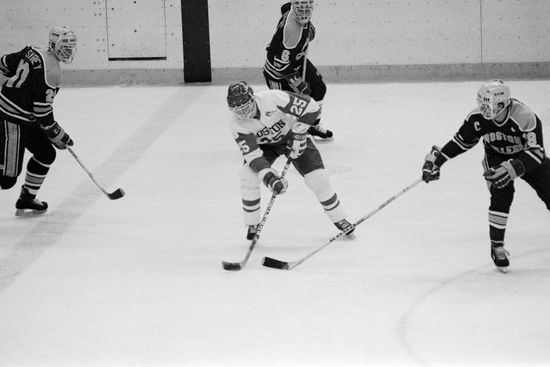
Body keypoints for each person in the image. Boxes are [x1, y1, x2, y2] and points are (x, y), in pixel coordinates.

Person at [422, 80, 550, 272]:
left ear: (502, 103)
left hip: (526, 158)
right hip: (496, 158)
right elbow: (461, 142)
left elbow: (536, 152)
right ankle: (497, 246)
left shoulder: (525, 116)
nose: (484, 109)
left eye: (488, 105)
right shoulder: (476, 118)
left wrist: (512, 168)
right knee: (501, 196)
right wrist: (438, 161)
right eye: (481, 103)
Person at [226, 81, 354, 240]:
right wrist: (270, 179)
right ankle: (252, 224)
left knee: (318, 179)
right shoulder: (236, 124)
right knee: (247, 175)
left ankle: (339, 219)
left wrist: (299, 133)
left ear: (253, 99)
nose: (243, 114)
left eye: (245, 107)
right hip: (265, 147)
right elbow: (253, 156)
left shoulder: (272, 98)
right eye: (238, 111)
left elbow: (311, 106)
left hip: (292, 136)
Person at [0, 27, 76, 216]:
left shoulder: (31, 51)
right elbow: (43, 113)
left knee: (45, 154)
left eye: (71, 47)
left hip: (25, 117)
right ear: (53, 44)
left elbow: (3, 63)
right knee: (7, 179)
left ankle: (27, 198)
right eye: (64, 47)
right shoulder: (53, 73)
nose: (68, 51)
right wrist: (59, 135)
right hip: (11, 120)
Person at [263, 0, 333, 141]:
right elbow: (281, 64)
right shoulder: (292, 33)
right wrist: (298, 83)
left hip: (297, 61)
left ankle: (311, 125)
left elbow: (284, 7)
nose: (304, 13)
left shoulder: (290, 7)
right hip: (278, 72)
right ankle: (280, 135)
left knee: (319, 88)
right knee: (287, 106)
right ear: (294, 8)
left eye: (307, 9)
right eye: (300, 10)